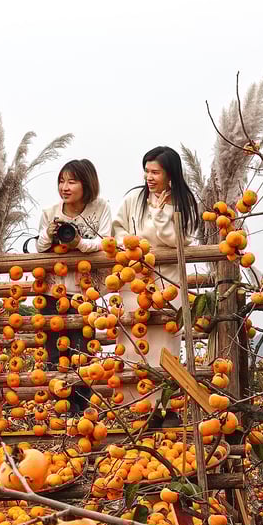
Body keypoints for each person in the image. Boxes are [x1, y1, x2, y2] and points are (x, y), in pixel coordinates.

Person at [111, 146, 200, 407]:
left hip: (167, 282)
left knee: (164, 342)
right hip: (134, 280)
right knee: (132, 342)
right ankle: (129, 405)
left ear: (170, 175)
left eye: (155, 172)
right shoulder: (133, 200)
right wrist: (132, 245)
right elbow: (117, 230)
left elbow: (178, 240)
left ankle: (162, 406)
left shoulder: (184, 203)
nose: (149, 177)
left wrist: (161, 215)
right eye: (146, 171)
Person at [34, 159, 112, 412]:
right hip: (52, 291)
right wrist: (50, 231)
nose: (64, 187)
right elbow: (40, 247)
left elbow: (105, 243)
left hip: (84, 291)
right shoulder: (50, 212)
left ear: (86, 184)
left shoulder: (100, 209)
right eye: (61, 181)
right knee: (55, 353)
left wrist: (78, 242)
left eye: (71, 181)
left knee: (83, 351)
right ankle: (61, 410)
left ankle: (83, 409)